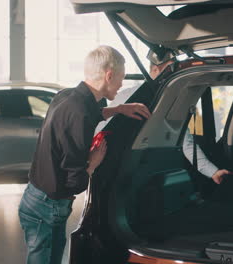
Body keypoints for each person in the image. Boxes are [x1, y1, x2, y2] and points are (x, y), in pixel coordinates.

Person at [18, 45, 151, 264]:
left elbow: (89, 114)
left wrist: (118, 109)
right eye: (121, 78)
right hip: (48, 205)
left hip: (37, 198)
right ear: (109, 75)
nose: (120, 85)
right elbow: (74, 182)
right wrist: (93, 163)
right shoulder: (80, 114)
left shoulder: (68, 96)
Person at [102, 57, 232, 184]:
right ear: (154, 70)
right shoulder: (127, 96)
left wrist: (213, 172)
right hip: (115, 168)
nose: (172, 73)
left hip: (147, 172)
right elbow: (103, 128)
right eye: (168, 69)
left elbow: (186, 142)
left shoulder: (170, 101)